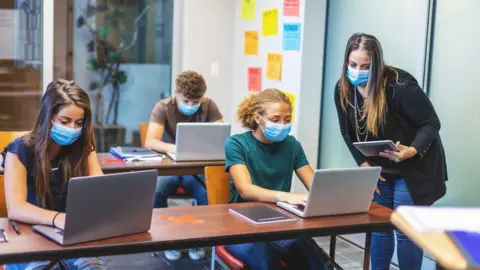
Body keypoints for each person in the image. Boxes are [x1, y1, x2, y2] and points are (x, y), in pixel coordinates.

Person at [334, 33, 447, 270]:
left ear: (376, 64)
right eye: (352, 65)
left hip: (414, 165)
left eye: (365, 66)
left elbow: (431, 123)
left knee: (406, 230)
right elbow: (346, 132)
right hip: (380, 167)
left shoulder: (400, 85)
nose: (357, 71)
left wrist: (412, 150)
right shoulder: (343, 89)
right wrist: (363, 165)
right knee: (379, 228)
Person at [2, 80, 107, 270]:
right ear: (48, 116)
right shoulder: (19, 150)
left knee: (93, 267)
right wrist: (58, 218)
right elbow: (16, 208)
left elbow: (100, 190)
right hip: (29, 235)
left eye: (79, 123)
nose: (72, 128)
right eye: (65, 121)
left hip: (72, 236)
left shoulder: (82, 148)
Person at [224, 89, 328, 270]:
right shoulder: (236, 143)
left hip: (281, 223)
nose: (282, 125)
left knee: (317, 264)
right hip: (241, 226)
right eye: (275, 119)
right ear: (258, 118)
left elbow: (315, 185)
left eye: (287, 120)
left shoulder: (292, 145)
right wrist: (287, 196)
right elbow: (245, 190)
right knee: (268, 263)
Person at [145, 70, 223, 261]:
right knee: (157, 193)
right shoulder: (163, 107)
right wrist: (177, 148)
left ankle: (197, 241)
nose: (191, 105)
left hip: (197, 168)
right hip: (169, 166)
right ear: (176, 94)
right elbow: (150, 142)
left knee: (209, 195)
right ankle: (167, 241)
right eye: (186, 101)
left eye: (196, 102)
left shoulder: (208, 105)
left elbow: (222, 135)